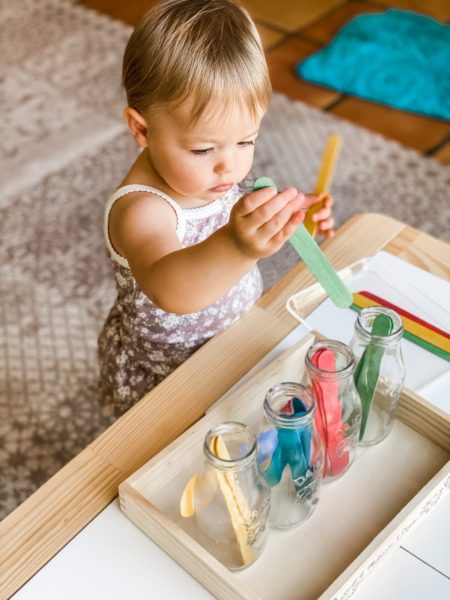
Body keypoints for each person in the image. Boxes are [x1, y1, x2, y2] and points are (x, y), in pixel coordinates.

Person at [98, 0, 335, 416]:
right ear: (141, 129)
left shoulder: (212, 173)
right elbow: (172, 290)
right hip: (170, 375)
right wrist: (239, 246)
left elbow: (237, 226)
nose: (232, 164)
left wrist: (293, 223)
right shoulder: (141, 209)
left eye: (246, 140)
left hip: (237, 337)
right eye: (204, 148)